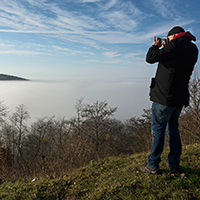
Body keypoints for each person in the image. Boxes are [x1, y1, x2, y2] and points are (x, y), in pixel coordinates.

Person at [139, 26, 198, 174]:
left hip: (164, 98)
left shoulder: (175, 46)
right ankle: (174, 162)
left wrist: (155, 46)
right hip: (179, 97)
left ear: (175, 36)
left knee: (158, 130)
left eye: (168, 37)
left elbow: (150, 58)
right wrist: (167, 46)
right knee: (174, 130)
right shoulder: (193, 49)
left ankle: (152, 164)